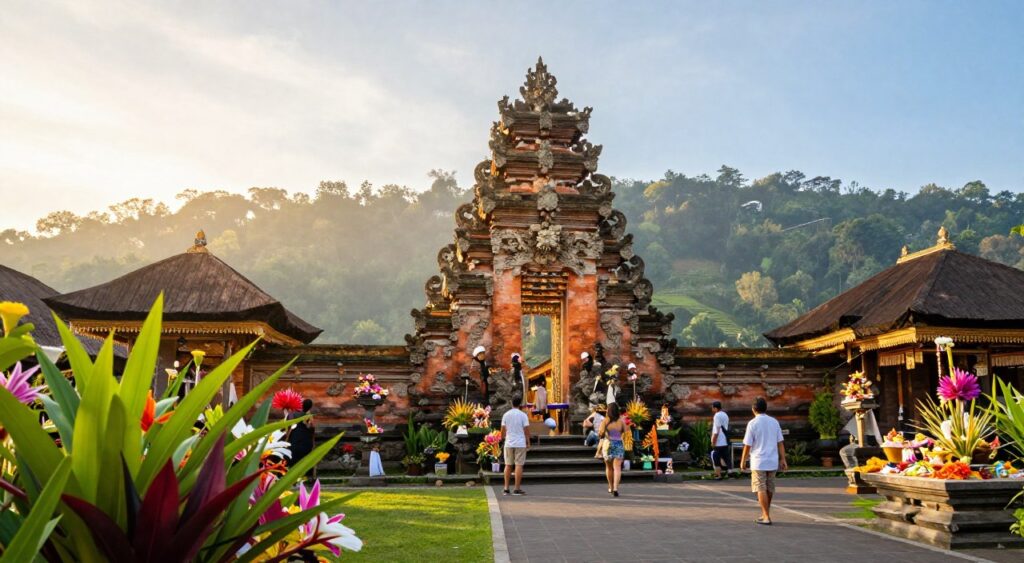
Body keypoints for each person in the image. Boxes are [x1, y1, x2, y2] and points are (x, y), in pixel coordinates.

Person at [739, 397, 787, 525]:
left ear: (753, 409)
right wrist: (783, 459)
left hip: (758, 460)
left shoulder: (752, 423)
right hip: (772, 460)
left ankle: (766, 516)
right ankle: (765, 513)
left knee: (760, 487)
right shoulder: (774, 422)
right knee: (769, 487)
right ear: (766, 408)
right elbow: (780, 442)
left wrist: (743, 460)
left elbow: (747, 445)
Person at [501, 395, 531, 496]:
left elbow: (503, 430)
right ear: (520, 404)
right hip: (520, 442)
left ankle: (506, 488)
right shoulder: (523, 415)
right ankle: (516, 488)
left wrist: (503, 438)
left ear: (511, 403)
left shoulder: (506, 414)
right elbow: (526, 430)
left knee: (508, 465)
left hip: (509, 442)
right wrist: (528, 441)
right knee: (519, 465)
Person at [599, 402, 627, 497]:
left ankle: (610, 487)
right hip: (618, 444)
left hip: (608, 444)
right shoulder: (621, 421)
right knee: (617, 468)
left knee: (609, 467)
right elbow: (626, 431)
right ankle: (615, 488)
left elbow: (600, 433)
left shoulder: (605, 421)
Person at [287, 399, 316, 469]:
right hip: (306, 442)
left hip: (294, 440)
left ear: (302, 405)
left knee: (293, 461)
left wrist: (287, 439)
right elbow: (312, 428)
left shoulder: (293, 414)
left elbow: (289, 427)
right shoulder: (309, 416)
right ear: (310, 407)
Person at [710, 401, 731, 480]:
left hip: (719, 441)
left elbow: (717, 430)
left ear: (715, 408)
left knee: (715, 457)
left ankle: (718, 475)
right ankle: (729, 472)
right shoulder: (725, 414)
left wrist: (713, 440)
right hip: (725, 439)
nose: (712, 409)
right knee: (725, 456)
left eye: (712, 407)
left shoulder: (717, 415)